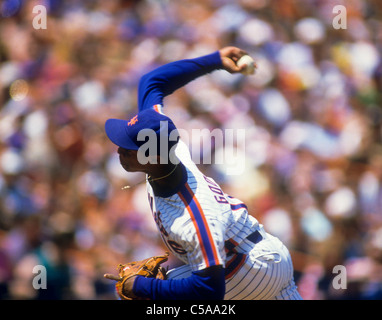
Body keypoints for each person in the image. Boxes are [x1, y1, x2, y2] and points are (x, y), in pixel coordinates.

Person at [104, 46, 302, 300]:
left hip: (248, 271)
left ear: (151, 157)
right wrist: (214, 60)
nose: (120, 149)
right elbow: (151, 81)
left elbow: (209, 291)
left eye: (129, 148)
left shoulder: (195, 216)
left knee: (145, 297)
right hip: (265, 257)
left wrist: (140, 288)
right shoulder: (161, 138)